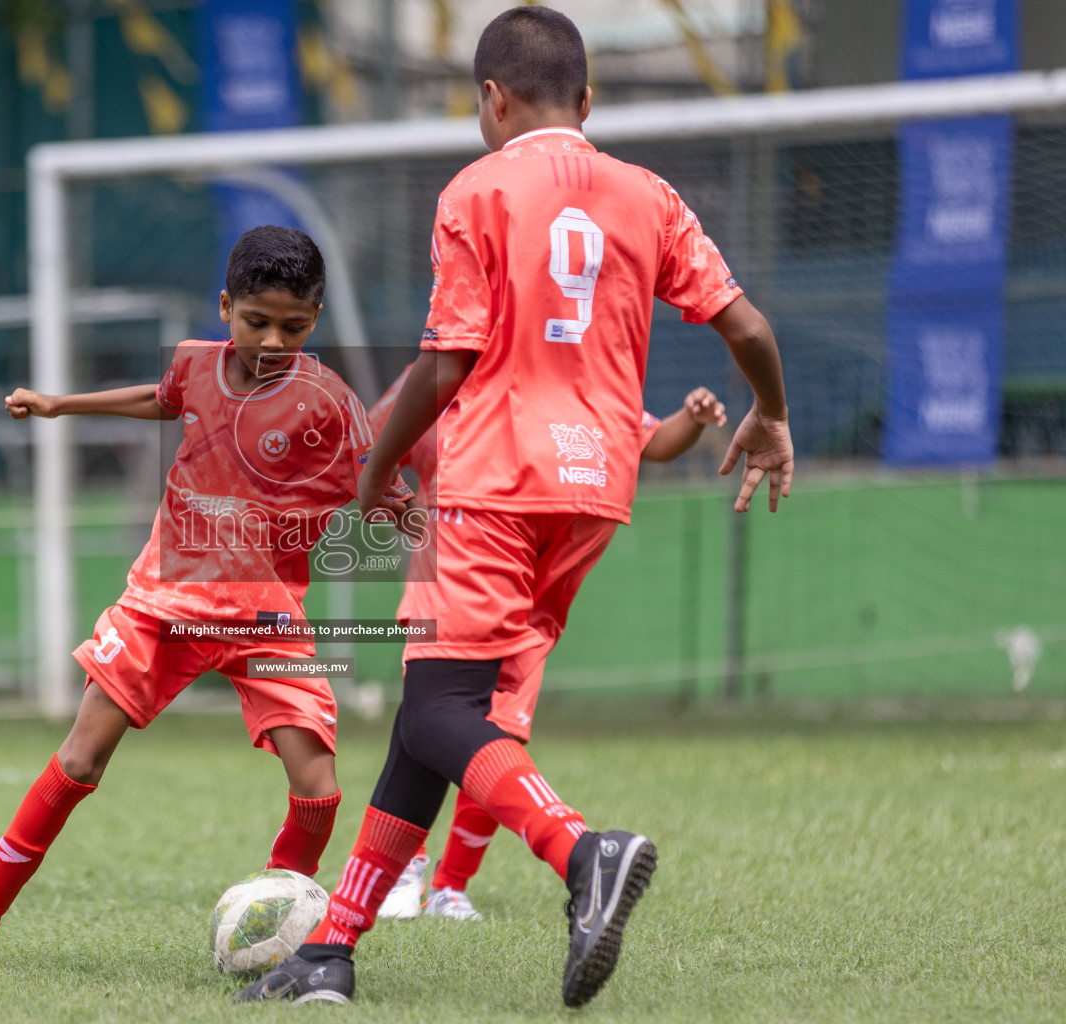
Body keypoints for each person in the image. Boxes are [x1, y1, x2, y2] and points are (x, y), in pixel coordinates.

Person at [235, 7, 792, 1009]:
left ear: (490, 99)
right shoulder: (648, 194)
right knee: (431, 716)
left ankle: (583, 851)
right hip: (594, 492)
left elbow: (447, 362)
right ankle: (333, 947)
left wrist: (374, 465)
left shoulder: (475, 191)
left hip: (495, 482)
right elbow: (744, 323)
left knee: (441, 707)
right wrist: (772, 414)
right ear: (587, 100)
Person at [0, 225, 414, 983]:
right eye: (256, 321)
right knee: (79, 759)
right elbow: (163, 396)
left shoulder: (327, 405)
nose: (273, 340)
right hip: (162, 602)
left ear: (315, 322)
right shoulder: (195, 366)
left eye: (295, 326)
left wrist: (424, 517)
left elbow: (383, 486)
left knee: (319, 788)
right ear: (225, 307)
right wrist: (58, 405)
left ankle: (287, 930)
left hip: (265, 614)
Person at [368, 379, 729, 922]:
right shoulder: (450, 387)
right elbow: (375, 442)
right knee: (436, 722)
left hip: (529, 620)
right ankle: (404, 870)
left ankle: (450, 885)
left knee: (497, 733)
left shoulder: (591, 389)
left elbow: (651, 441)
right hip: (454, 586)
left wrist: (691, 419)